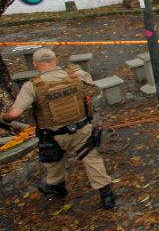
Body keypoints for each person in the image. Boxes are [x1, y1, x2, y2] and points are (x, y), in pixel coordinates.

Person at [1, 48, 115, 209]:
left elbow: (15, 113)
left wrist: (3, 118)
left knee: (53, 162)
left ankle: (57, 187)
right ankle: (107, 195)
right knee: (92, 160)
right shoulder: (76, 74)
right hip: (81, 130)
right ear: (56, 60)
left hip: (52, 134)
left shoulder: (32, 86)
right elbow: (93, 87)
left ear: (35, 65)